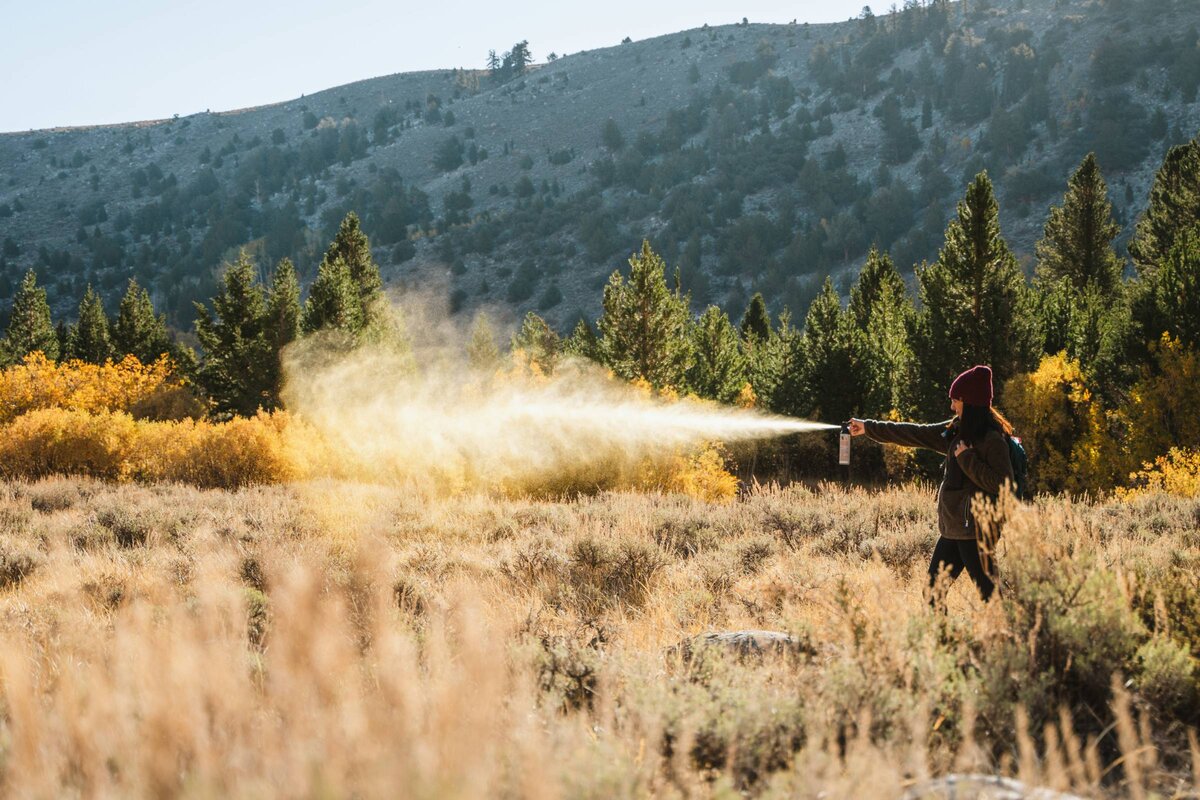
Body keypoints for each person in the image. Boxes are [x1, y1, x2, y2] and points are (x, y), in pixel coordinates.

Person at [848, 365, 1015, 605]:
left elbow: (1003, 484)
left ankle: (1012, 640)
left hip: (976, 532)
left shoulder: (992, 440)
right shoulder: (956, 430)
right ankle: (943, 642)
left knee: (992, 599)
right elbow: (913, 433)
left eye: (956, 401)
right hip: (954, 529)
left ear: (970, 402)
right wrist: (868, 427)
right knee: (932, 595)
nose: (952, 407)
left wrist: (966, 458)